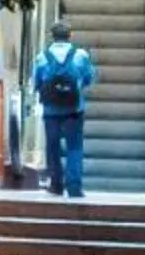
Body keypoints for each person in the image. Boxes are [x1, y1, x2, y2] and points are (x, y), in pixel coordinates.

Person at [33, 20, 97, 198]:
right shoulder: (80, 55)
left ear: (52, 36)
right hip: (74, 109)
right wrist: (75, 87)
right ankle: (74, 186)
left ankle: (56, 184)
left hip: (50, 110)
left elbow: (37, 82)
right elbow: (89, 77)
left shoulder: (42, 56)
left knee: (52, 147)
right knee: (74, 147)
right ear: (70, 36)